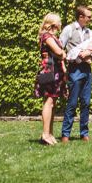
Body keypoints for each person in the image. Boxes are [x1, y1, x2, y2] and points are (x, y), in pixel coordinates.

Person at [60, 5, 92, 143]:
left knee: (86, 102)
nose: (90, 19)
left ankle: (84, 133)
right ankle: (65, 134)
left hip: (87, 70)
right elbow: (60, 50)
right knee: (72, 103)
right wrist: (64, 70)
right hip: (74, 70)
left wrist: (89, 53)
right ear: (81, 17)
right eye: (88, 16)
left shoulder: (90, 32)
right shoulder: (69, 29)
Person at [34, 12, 68, 145]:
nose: (60, 24)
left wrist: (64, 68)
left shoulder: (53, 36)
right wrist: (63, 53)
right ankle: (45, 134)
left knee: (53, 102)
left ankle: (50, 133)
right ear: (53, 23)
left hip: (56, 71)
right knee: (49, 101)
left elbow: (60, 55)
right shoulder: (46, 36)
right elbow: (59, 52)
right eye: (59, 21)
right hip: (50, 71)